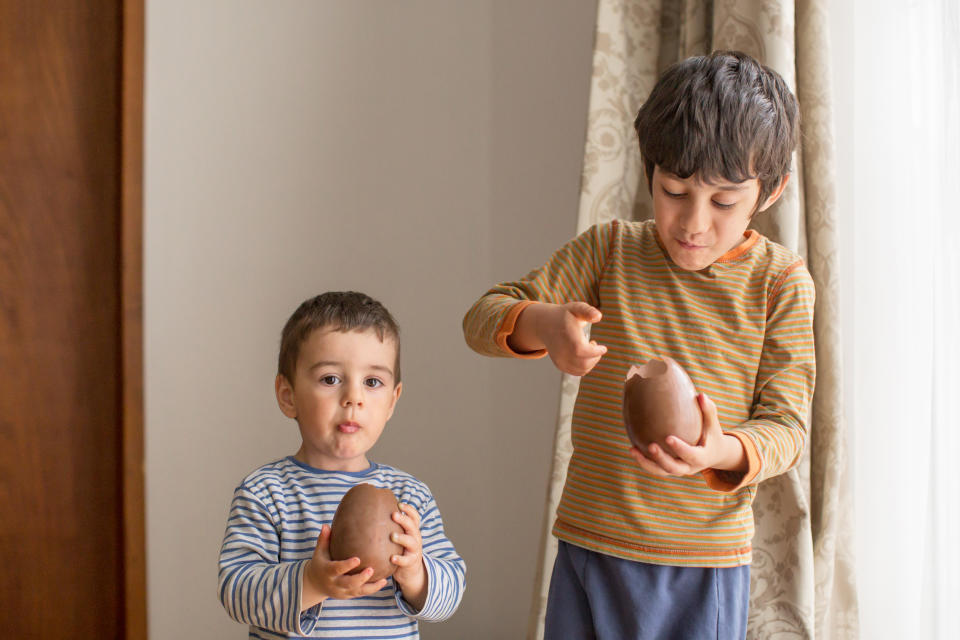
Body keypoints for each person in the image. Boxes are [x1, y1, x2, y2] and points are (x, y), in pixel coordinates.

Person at [462, 50, 814, 639]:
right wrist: (546, 324)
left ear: (770, 191)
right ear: (649, 168)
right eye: (674, 190)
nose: (693, 222)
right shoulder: (610, 250)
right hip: (590, 542)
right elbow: (482, 318)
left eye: (723, 202)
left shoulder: (779, 283)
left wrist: (720, 450)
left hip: (701, 562)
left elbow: (787, 428)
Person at [219, 291, 465, 639]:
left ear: (393, 401)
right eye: (330, 379)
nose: (354, 397)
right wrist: (311, 582)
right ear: (288, 396)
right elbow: (236, 591)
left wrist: (416, 574)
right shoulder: (265, 492)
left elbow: (452, 589)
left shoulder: (410, 497)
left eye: (372, 382)